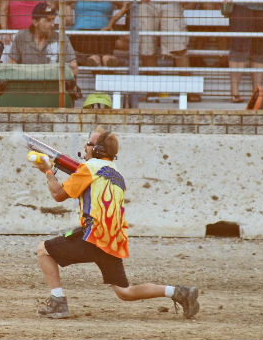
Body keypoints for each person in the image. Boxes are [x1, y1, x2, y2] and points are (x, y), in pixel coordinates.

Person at [32, 126, 200, 320]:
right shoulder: (115, 172)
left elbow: (58, 194)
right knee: (125, 292)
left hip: (94, 235)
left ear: (98, 149)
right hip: (112, 238)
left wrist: (48, 171)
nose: (86, 146)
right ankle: (179, 292)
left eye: (90, 144)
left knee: (43, 250)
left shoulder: (90, 167)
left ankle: (58, 303)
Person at [67, 0, 126, 67]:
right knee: (102, 53)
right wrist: (68, 10)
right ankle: (106, 59)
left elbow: (128, 4)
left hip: (104, 33)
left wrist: (112, 22)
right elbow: (60, 2)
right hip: (82, 33)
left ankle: (96, 60)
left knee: (104, 39)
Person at [5, 3, 79, 80]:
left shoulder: (61, 39)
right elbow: (12, 64)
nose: (52, 24)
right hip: (27, 83)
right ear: (35, 22)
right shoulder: (22, 37)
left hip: (53, 84)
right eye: (48, 20)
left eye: (53, 19)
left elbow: (74, 67)